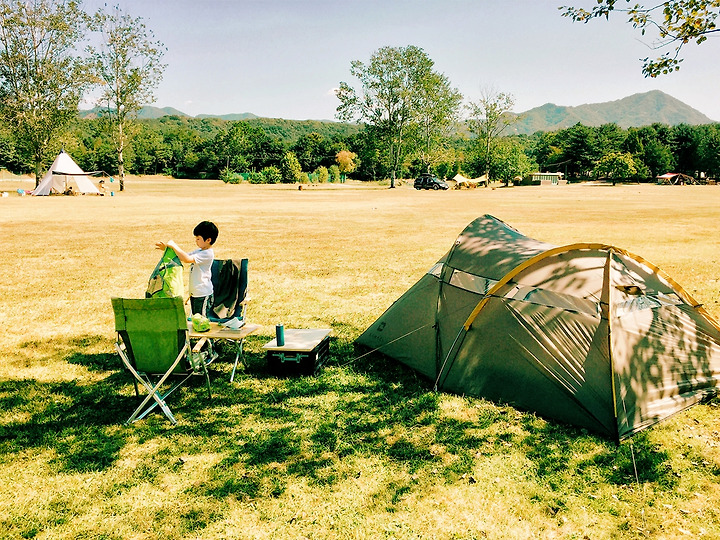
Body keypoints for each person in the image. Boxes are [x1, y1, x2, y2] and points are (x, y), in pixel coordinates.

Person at [156, 221, 219, 319]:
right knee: (196, 319)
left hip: (203, 294)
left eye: (198, 238)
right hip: (195, 293)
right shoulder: (199, 251)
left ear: (208, 240)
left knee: (202, 320)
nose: (196, 241)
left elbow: (186, 259)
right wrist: (167, 249)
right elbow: (183, 256)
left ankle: (203, 335)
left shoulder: (207, 254)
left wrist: (174, 246)